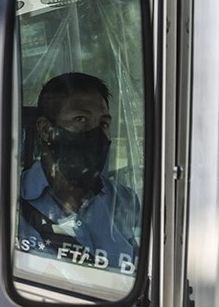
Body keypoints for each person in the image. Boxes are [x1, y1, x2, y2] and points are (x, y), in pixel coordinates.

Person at [16, 72, 140, 275]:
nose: (97, 134)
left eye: (103, 124)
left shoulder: (124, 203)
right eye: (80, 119)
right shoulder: (13, 206)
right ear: (46, 130)